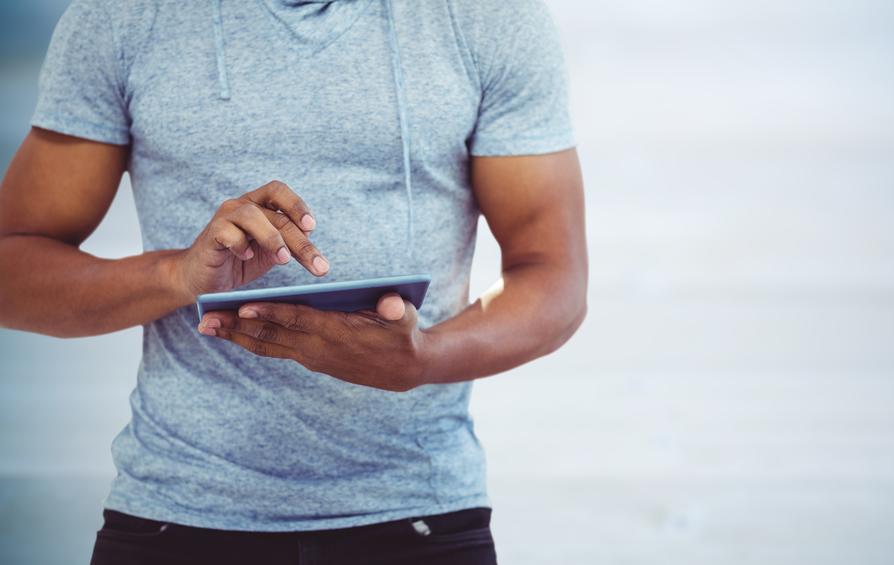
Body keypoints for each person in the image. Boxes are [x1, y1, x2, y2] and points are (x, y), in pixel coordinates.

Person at [0, 0, 587, 562]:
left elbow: (554, 277)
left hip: (419, 514)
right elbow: (13, 267)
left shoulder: (489, 17)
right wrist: (176, 273)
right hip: (177, 512)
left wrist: (426, 358)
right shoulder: (123, 17)